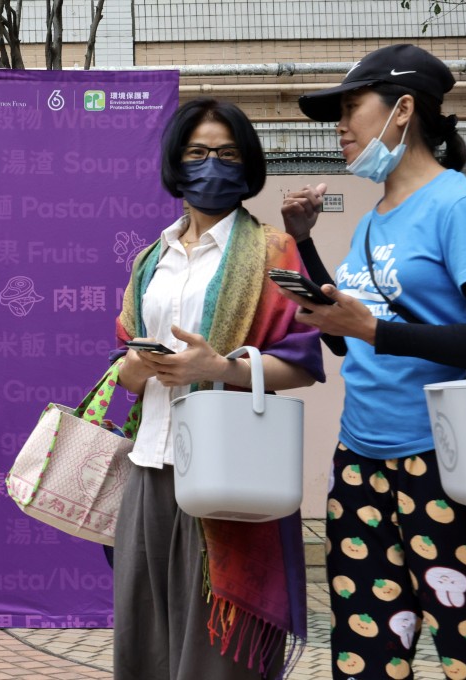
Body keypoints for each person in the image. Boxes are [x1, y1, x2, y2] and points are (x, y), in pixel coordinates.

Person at [281, 44, 466, 680]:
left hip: (450, 464)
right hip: (361, 460)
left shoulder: (462, 207)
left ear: (402, 109)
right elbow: (349, 339)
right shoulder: (373, 220)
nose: (340, 126)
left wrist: (376, 329)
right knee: (365, 654)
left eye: (350, 107)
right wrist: (306, 248)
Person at [113, 97, 324, 680]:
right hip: (150, 466)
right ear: (176, 163)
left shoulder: (273, 251)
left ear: (248, 165)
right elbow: (126, 354)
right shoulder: (150, 259)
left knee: (216, 656)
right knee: (146, 642)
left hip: (229, 472)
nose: (213, 165)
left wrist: (222, 370)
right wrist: (131, 371)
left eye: (228, 154)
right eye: (199, 152)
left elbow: (302, 364)